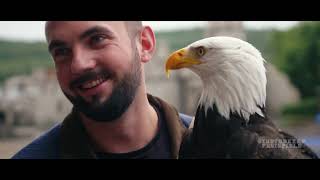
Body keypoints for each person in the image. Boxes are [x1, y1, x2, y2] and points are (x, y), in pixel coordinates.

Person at [12, 21, 192, 159]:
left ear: (144, 44)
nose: (79, 64)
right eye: (62, 51)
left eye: (97, 39)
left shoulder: (215, 145)